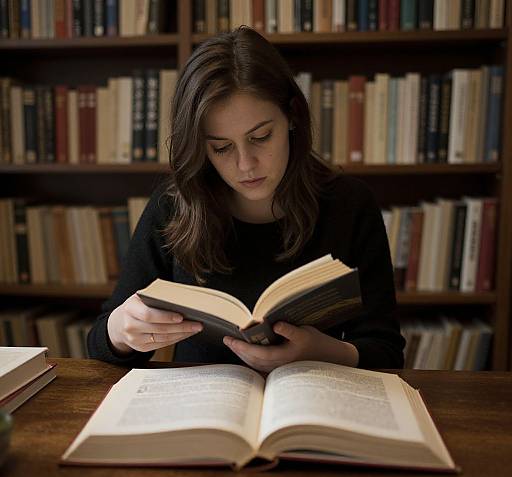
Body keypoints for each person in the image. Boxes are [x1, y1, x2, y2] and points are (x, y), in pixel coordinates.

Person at [87, 26, 405, 371]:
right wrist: (121, 330)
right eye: (221, 147)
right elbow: (101, 346)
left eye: (261, 136)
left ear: (293, 117)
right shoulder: (176, 203)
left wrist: (322, 350)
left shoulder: (350, 204)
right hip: (203, 410)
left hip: (309, 406)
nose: (245, 164)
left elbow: (386, 352)